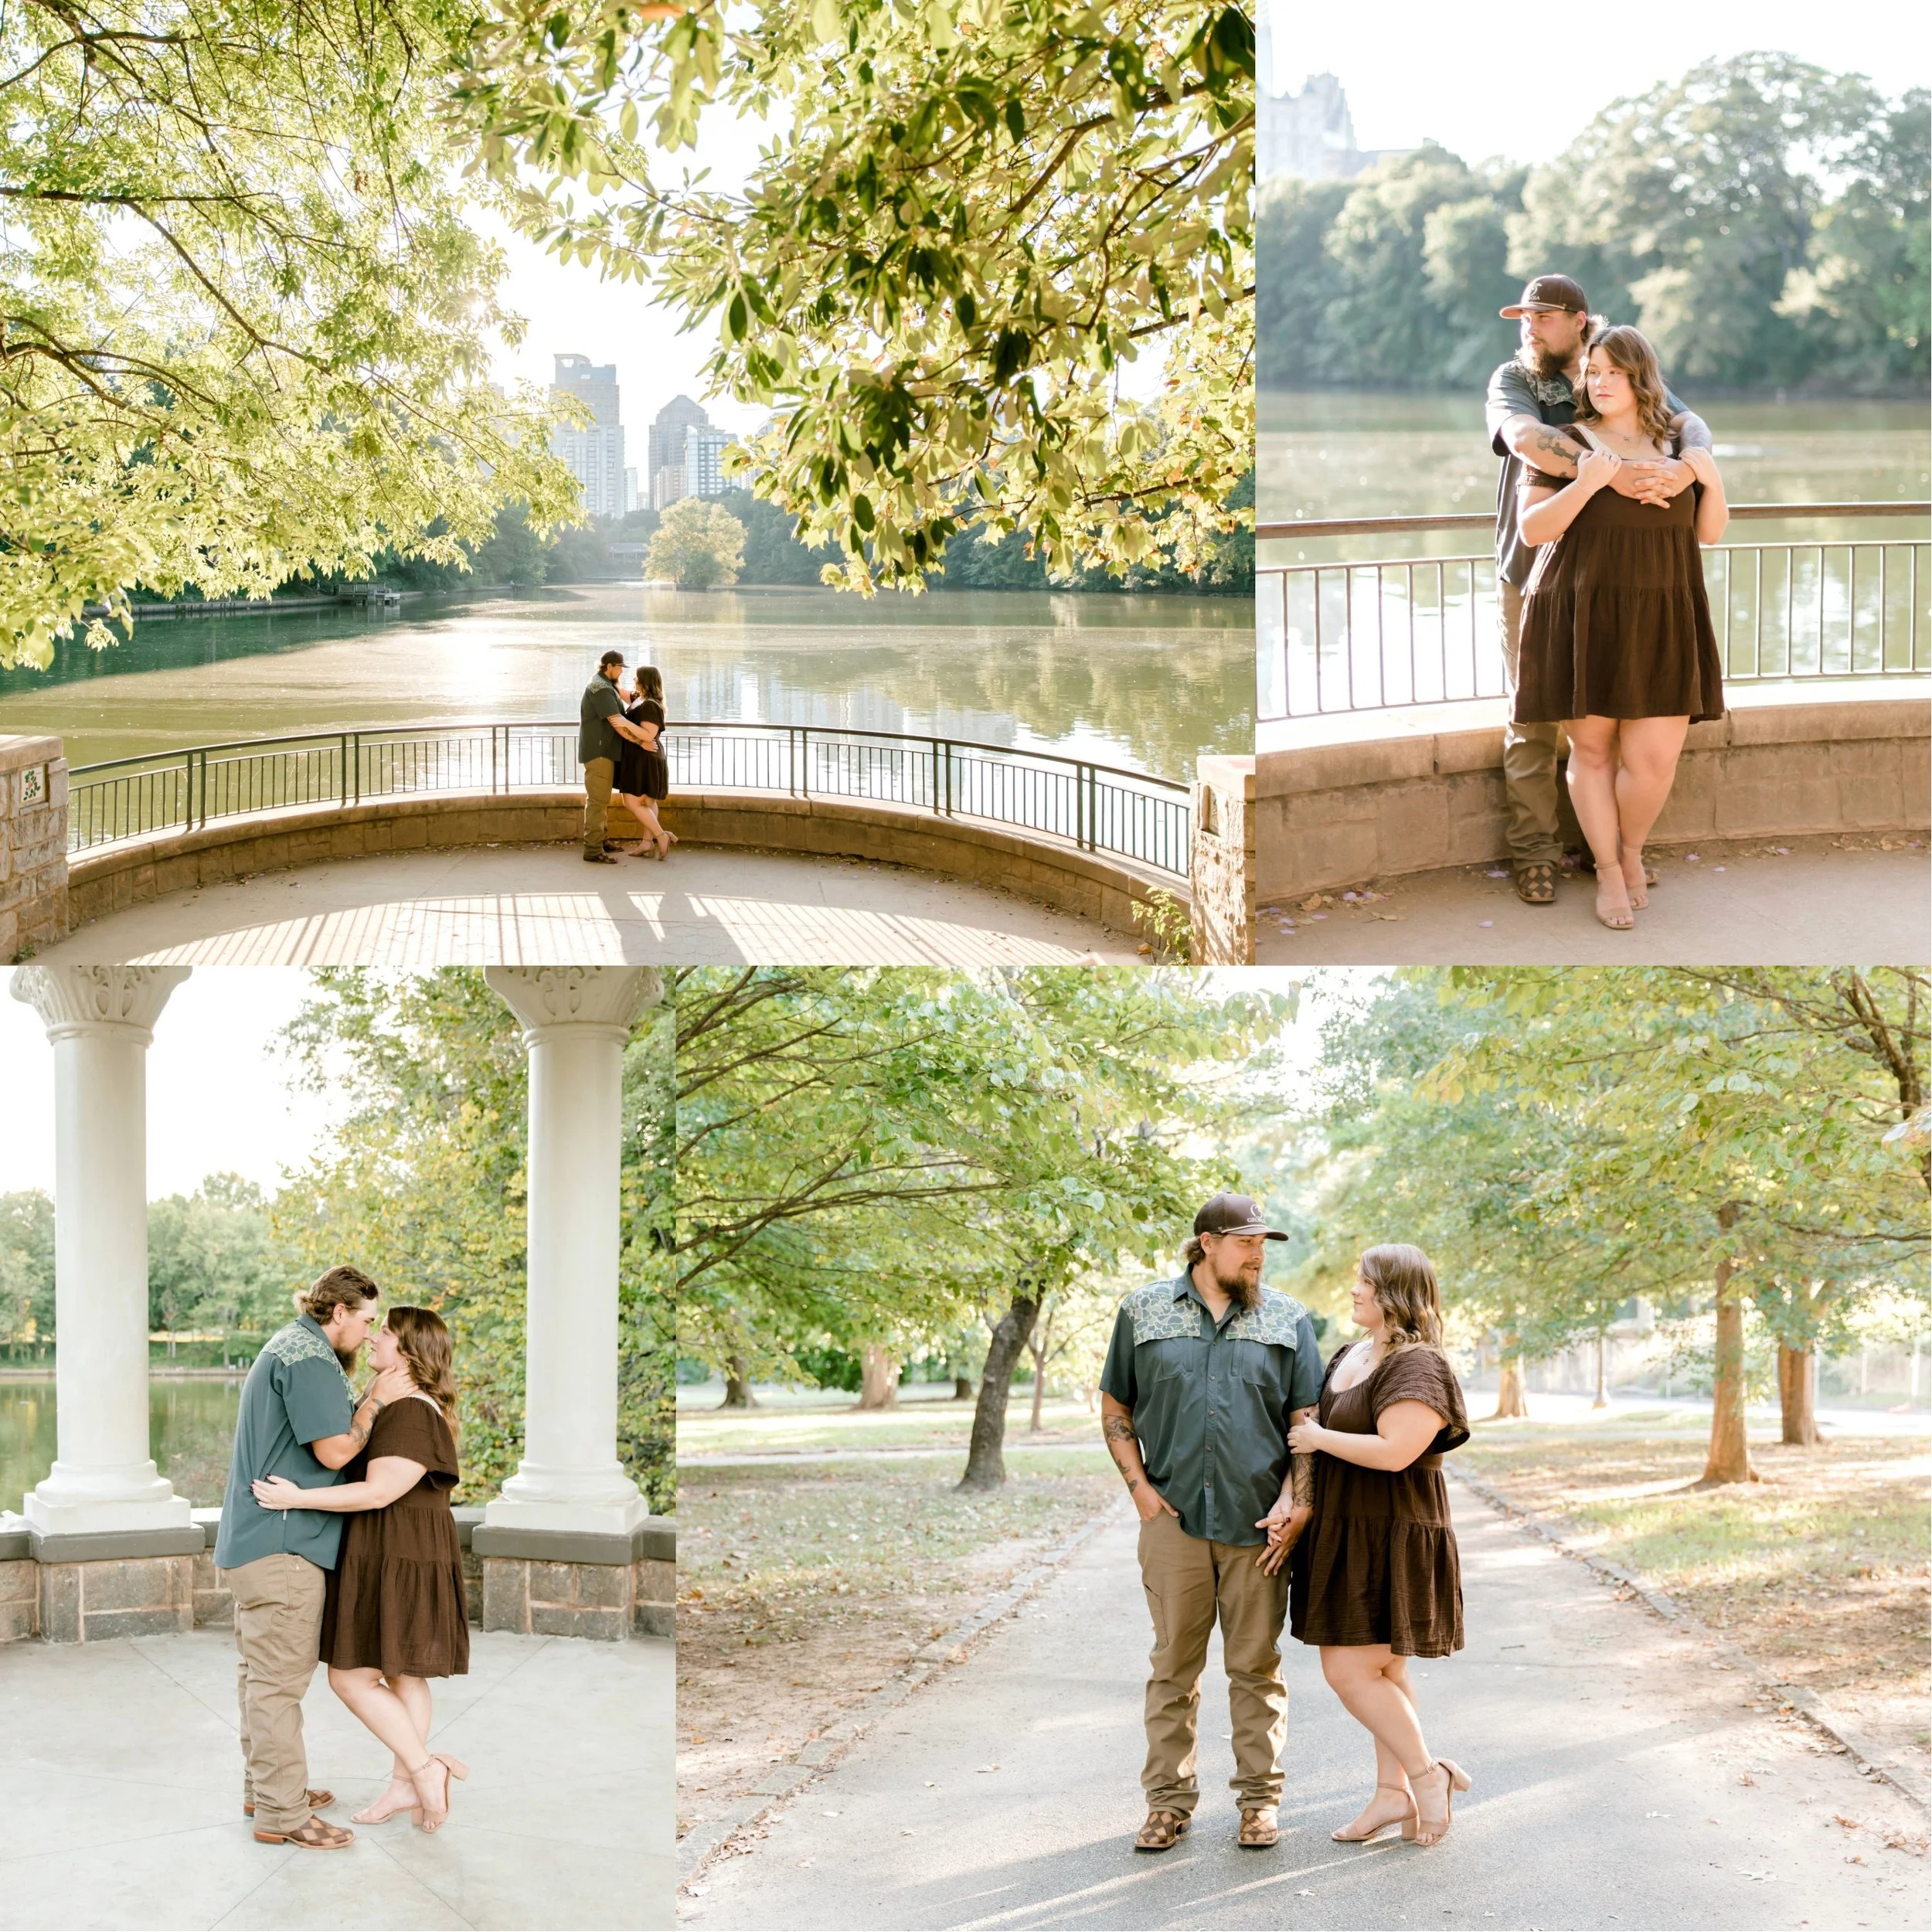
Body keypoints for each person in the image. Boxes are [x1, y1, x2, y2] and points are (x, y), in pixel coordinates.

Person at [1097, 1193, 1324, 1854]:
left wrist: (1298, 1504)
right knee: (1173, 1669)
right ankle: (1168, 1804)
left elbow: (1304, 1425)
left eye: (1263, 1244)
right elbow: (1116, 1404)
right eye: (1246, 1241)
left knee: (1257, 1668)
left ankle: (1260, 1803)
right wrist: (1138, 1488)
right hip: (1172, 1524)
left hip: (1260, 1527)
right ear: (1206, 1243)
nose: (1258, 1254)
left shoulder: (1286, 1318)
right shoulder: (1142, 1311)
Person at [1485, 274, 1714, 907]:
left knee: (1628, 727)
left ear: (1578, 320)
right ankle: (1536, 855)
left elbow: (1690, 424)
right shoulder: (1514, 379)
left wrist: (1683, 465)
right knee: (1535, 723)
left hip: (1630, 579)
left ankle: (1603, 851)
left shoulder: (1615, 361)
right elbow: (1525, 440)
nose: (1529, 327)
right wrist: (1615, 477)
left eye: (1543, 316)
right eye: (1523, 317)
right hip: (1533, 571)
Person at [252, 1304, 471, 1834]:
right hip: (398, 1551)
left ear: (410, 1351)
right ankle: (404, 1786)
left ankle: (423, 1770)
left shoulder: (413, 1412)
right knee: (404, 1672)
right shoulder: (400, 1404)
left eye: (387, 1332)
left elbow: (379, 1491)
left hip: (402, 1555)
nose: (374, 1338)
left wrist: (298, 1497)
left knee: (350, 1677)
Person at [1284, 1244, 1471, 1848]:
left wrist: (1317, 1437)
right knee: (1384, 1667)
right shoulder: (1352, 1354)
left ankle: (1426, 1775)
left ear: (1395, 1292)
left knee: (1349, 1669)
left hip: (1392, 1529)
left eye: (1365, 1281)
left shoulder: (1418, 1365)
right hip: (1348, 1528)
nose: (1355, 1290)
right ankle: (1391, 1794)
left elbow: (1396, 1452)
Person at [213, 1265, 388, 1850]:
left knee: (258, 1679)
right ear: (338, 1313)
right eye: (366, 1321)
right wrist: (372, 1405)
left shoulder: (285, 1345)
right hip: (283, 1549)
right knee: (277, 1687)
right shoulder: (310, 1358)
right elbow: (337, 1449)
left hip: (254, 1541)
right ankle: (282, 1815)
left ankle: (264, 1789)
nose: (370, 1334)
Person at [580, 649, 658, 864]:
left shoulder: (607, 685)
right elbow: (617, 722)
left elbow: (625, 702)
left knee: (601, 798)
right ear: (609, 667)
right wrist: (641, 741)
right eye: (620, 668)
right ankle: (593, 849)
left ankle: (602, 841)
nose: (622, 672)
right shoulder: (601, 689)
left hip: (605, 750)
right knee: (598, 800)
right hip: (599, 751)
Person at [612, 664, 676, 860]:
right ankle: (647, 843)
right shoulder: (638, 698)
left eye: (637, 678)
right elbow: (618, 690)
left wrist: (624, 723)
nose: (633, 681)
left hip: (647, 757)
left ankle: (660, 836)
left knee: (631, 801)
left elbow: (649, 735)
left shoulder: (650, 705)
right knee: (648, 802)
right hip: (640, 757)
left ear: (645, 682)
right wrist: (610, 673)